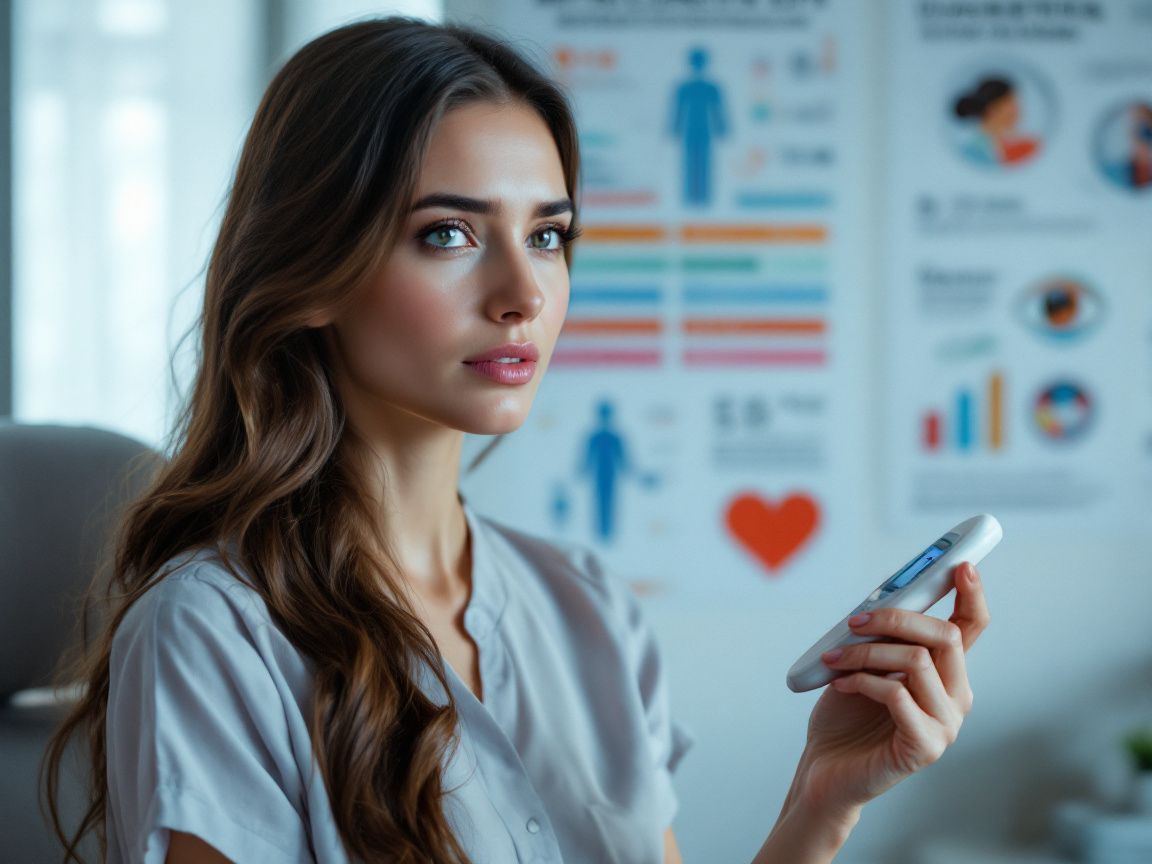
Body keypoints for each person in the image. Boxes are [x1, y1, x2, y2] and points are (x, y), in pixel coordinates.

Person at [44, 18, 991, 864]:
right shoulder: (212, 635)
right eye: (449, 234)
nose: (524, 295)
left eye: (546, 236)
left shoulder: (588, 609)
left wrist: (821, 803)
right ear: (313, 268)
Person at [953, 76, 1040, 166]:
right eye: (1011, 102)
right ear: (993, 109)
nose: (1017, 109)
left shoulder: (1024, 145)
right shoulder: (972, 151)